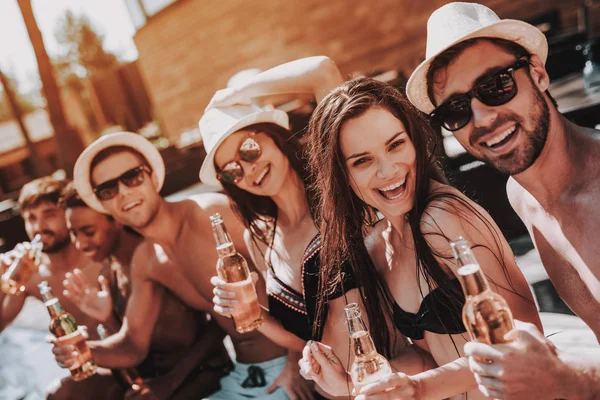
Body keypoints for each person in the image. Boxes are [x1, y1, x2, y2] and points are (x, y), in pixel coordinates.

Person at [204, 58, 436, 399]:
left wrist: (233, 93)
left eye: (249, 150)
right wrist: (251, 313)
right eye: (232, 171)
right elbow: (307, 340)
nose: (248, 171)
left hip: (399, 380)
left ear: (272, 135)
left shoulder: (340, 193)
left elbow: (322, 72)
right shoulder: (261, 240)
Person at [301, 76, 541, 400]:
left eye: (395, 144)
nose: (388, 170)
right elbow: (429, 356)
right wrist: (351, 383)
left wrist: (419, 388)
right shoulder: (380, 246)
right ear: (342, 174)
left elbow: (525, 336)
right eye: (363, 160)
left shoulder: (442, 220)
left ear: (413, 139)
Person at [405, 2, 600, 398]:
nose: (481, 118)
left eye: (495, 86)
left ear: (539, 74)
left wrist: (567, 378)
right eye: (456, 110)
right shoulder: (522, 194)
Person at [51, 131, 302, 399]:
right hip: (244, 376)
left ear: (152, 177)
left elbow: (296, 270)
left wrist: (298, 361)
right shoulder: (147, 261)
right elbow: (133, 344)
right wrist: (83, 349)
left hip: (289, 369)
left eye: (132, 177)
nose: (124, 193)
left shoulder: (211, 214)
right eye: (109, 190)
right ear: (102, 204)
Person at [58, 182, 229, 399]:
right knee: (64, 392)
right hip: (153, 379)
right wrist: (108, 318)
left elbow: (222, 321)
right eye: (73, 234)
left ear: (116, 220)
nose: (80, 243)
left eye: (88, 232)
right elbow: (132, 343)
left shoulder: (156, 259)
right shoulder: (111, 271)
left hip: (201, 376)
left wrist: (169, 383)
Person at [0, 176, 123, 400]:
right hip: (92, 367)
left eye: (49, 215)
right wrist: (1, 281)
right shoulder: (31, 275)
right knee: (56, 395)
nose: (39, 227)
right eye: (31, 218)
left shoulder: (101, 256)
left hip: (132, 353)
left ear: (68, 215)